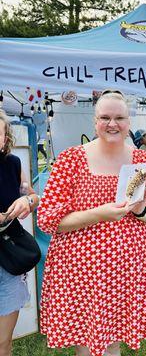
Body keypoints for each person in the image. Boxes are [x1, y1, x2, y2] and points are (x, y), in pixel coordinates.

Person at [38, 91, 146, 356]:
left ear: (129, 121)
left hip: (128, 269)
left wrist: (141, 210)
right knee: (87, 343)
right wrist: (99, 213)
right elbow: (48, 219)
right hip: (81, 270)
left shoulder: (142, 160)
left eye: (119, 117)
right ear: (94, 121)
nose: (113, 124)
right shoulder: (71, 159)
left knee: (113, 342)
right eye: (105, 117)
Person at [0, 110, 39, 356]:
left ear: (5, 138)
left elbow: (32, 195)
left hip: (8, 258)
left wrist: (28, 200)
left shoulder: (12, 163)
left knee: (3, 341)